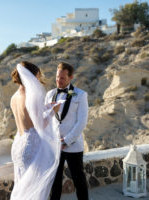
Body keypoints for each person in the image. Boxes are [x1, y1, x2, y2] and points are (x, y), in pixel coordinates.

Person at [10, 61, 61, 200]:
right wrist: (53, 111)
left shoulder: (14, 97)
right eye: (37, 76)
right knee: (34, 191)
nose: (38, 80)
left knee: (22, 188)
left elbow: (27, 117)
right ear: (31, 77)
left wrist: (45, 107)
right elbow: (40, 125)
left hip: (18, 144)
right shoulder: (31, 96)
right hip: (32, 146)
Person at [46, 62, 89, 200]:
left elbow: (82, 121)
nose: (58, 80)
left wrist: (67, 140)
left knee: (79, 180)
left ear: (71, 77)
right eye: (57, 77)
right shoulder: (49, 94)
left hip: (73, 145)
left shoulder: (81, 95)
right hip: (54, 145)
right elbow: (46, 119)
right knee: (55, 181)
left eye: (62, 78)